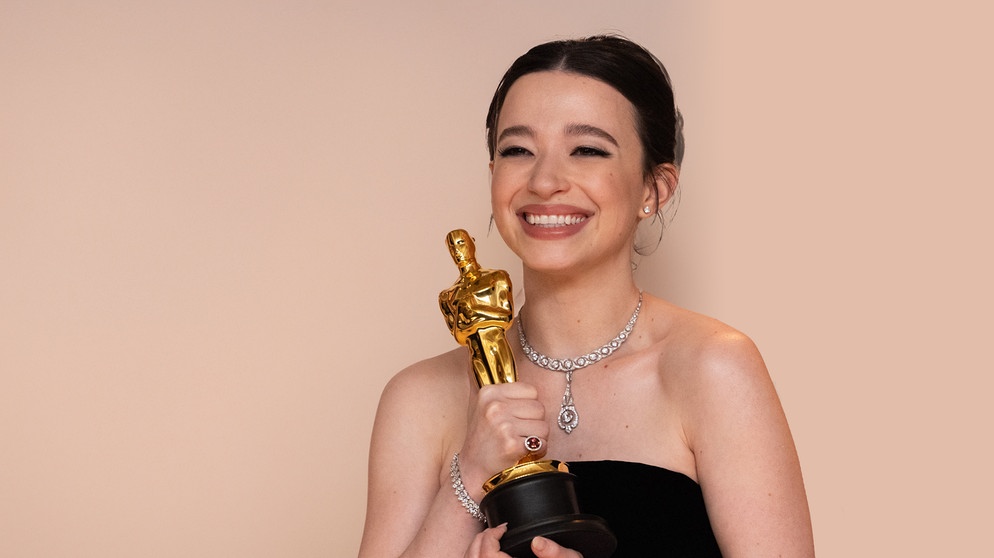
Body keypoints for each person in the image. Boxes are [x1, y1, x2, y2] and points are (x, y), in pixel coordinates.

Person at [358, 35, 814, 558]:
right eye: (518, 150)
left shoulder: (713, 368)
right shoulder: (420, 397)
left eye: (588, 150)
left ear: (654, 189)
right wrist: (471, 473)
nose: (545, 180)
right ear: (493, 177)